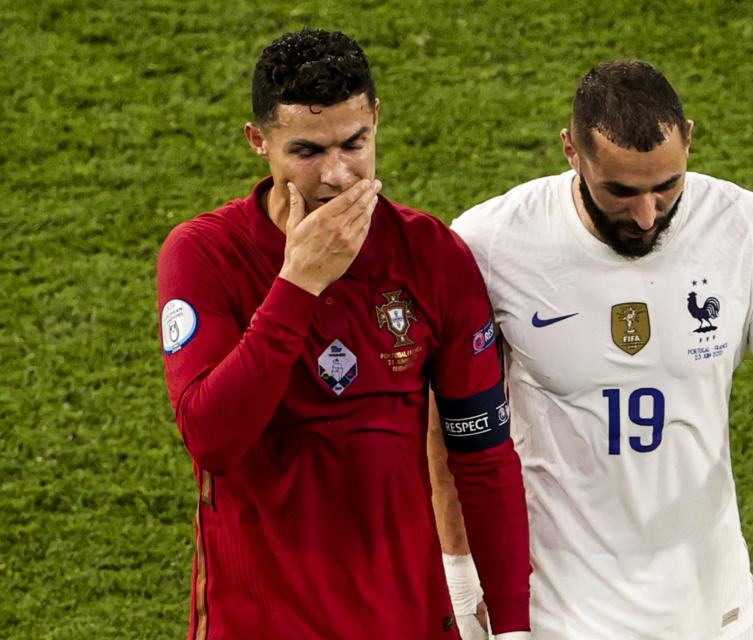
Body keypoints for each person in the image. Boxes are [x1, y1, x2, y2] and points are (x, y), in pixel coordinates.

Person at [432, 59, 753, 639]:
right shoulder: (489, 243)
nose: (647, 215)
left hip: (709, 609)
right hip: (553, 612)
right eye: (620, 191)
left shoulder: (751, 230)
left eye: (667, 186)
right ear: (570, 153)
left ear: (689, 140)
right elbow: (453, 422)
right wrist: (460, 573)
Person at [156, 29, 531, 640]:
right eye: (306, 151)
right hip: (259, 623)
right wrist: (299, 282)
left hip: (405, 620)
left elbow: (482, 454)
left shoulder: (432, 256)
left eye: (355, 144)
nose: (336, 175)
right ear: (259, 142)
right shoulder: (204, 254)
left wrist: (512, 624)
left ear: (377, 120)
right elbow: (212, 440)